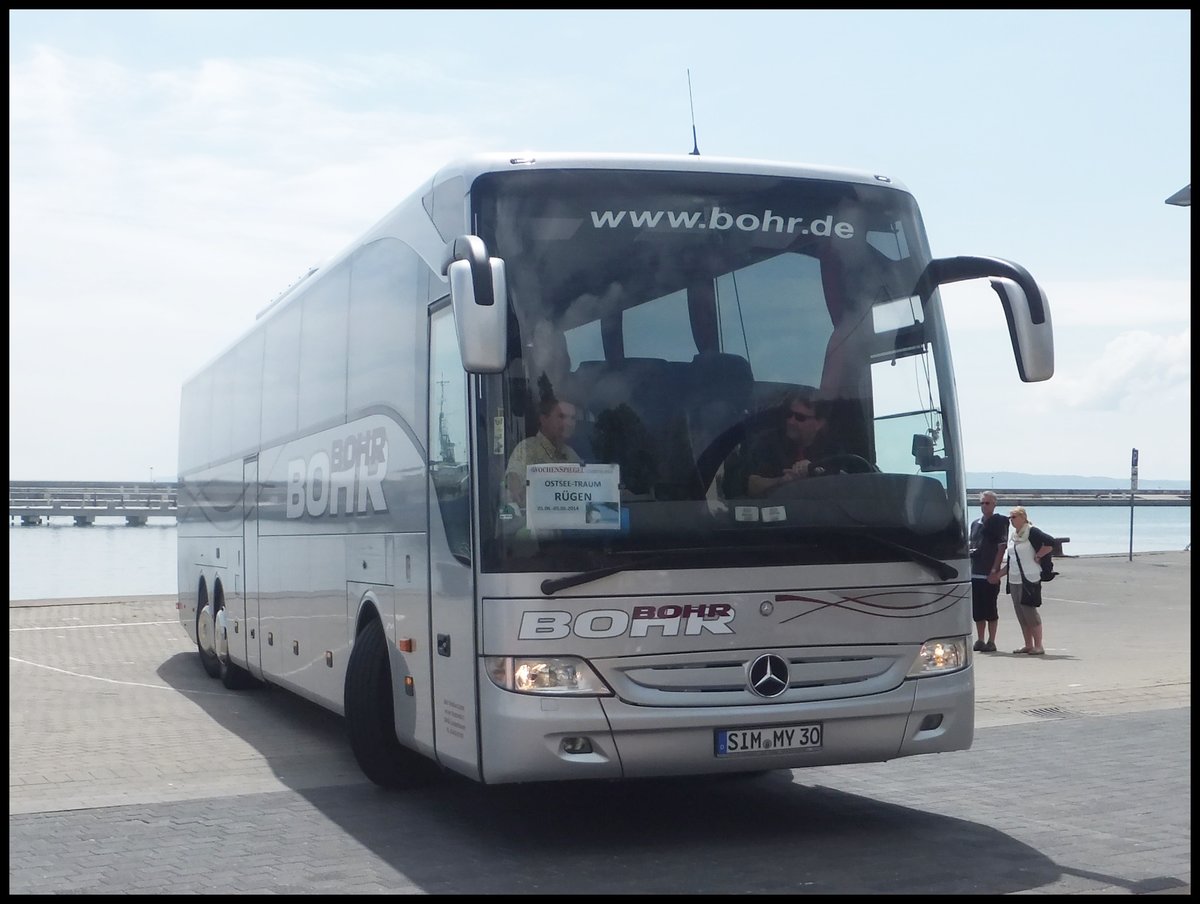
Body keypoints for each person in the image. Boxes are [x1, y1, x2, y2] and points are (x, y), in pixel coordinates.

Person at [745, 386, 836, 497]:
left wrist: (814, 472)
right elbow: (750, 486)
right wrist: (782, 481)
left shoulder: (834, 451)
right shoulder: (767, 442)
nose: (791, 421)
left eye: (800, 417)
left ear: (819, 423)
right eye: (789, 414)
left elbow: (843, 489)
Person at [504, 396, 581, 508]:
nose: (569, 423)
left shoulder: (571, 454)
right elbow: (514, 483)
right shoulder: (526, 449)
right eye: (562, 416)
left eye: (573, 418)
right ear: (544, 419)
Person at [1000, 505, 1056, 656]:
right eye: (1010, 518)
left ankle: (1039, 645)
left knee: (1029, 610)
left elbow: (1051, 543)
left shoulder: (1032, 531)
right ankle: (1028, 644)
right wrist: (999, 574)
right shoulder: (1014, 536)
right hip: (1014, 577)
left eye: (1014, 517)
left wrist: (1038, 555)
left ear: (1023, 517)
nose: (1011, 520)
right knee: (1020, 612)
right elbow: (1011, 558)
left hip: (1030, 577)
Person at [968, 491, 1008, 653]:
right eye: (982, 503)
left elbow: (1001, 548)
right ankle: (980, 639)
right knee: (977, 610)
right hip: (975, 571)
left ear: (994, 504)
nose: (984, 506)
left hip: (989, 572)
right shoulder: (975, 524)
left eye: (988, 503)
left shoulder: (998, 523)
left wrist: (995, 571)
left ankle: (991, 640)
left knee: (990, 608)